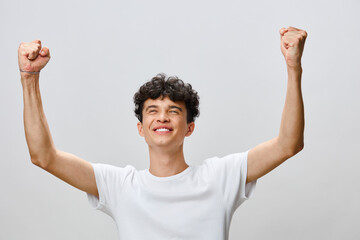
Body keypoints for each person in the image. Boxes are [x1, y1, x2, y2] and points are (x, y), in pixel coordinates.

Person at [19, 26, 307, 239]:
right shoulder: (120, 185)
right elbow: (44, 157)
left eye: (174, 111)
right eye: (153, 111)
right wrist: (29, 78)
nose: (163, 118)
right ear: (141, 128)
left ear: (189, 127)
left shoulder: (220, 177)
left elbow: (288, 145)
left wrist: (294, 68)